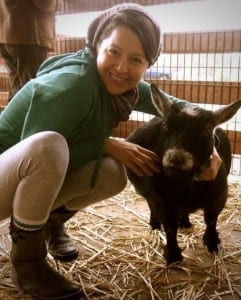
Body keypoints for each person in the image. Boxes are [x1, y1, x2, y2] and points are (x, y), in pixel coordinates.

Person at [0, 3, 222, 299]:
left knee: (112, 173)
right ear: (95, 46)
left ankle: (50, 224)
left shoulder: (125, 88)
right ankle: (27, 264)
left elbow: (179, 107)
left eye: (136, 59)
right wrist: (105, 142)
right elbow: (37, 149)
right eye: (113, 52)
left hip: (17, 186)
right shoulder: (73, 84)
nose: (122, 67)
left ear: (148, 64)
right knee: (52, 146)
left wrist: (213, 146)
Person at [0, 0, 61, 102]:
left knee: (17, 89)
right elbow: (44, 3)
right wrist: (57, 4)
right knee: (33, 91)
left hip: (7, 35)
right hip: (28, 36)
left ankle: (10, 117)